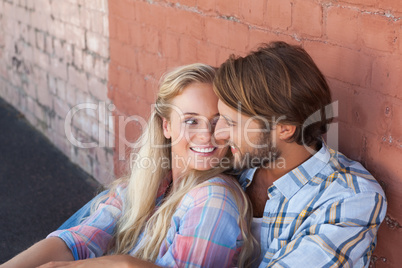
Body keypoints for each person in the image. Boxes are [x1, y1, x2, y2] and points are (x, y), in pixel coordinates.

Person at [1, 64, 258, 268]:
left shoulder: (214, 197)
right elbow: (79, 240)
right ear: (166, 126)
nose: (206, 135)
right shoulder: (153, 185)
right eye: (191, 121)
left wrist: (122, 263)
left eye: (218, 121)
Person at [212, 41, 387, 267]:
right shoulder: (233, 165)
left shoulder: (350, 197)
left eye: (232, 124)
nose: (218, 134)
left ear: (285, 128)